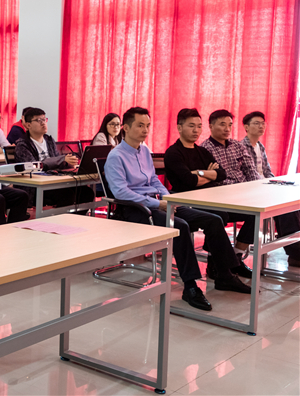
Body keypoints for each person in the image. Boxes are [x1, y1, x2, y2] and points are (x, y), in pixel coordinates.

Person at [106, 107, 250, 312]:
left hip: (158, 202)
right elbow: (121, 192)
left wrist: (167, 197)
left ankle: (225, 275)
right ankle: (190, 287)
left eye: (147, 125)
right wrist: (158, 204)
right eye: (140, 125)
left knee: (213, 219)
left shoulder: (144, 151)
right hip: (135, 209)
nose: (145, 130)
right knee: (180, 226)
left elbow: (154, 179)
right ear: (126, 128)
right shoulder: (116, 156)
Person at [204, 110, 300, 268]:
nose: (227, 128)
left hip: (248, 191)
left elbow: (251, 171)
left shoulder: (237, 146)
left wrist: (264, 188)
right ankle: (227, 259)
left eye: (230, 125)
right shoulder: (206, 149)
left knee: (286, 205)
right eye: (222, 124)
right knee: (258, 212)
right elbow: (217, 178)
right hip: (223, 196)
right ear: (211, 126)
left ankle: (237, 256)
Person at [164, 108, 253, 278]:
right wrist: (207, 175)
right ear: (179, 127)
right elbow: (189, 181)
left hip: (211, 198)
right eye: (191, 126)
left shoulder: (202, 152)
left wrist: (199, 173)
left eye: (199, 126)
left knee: (251, 214)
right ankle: (218, 266)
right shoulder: (173, 153)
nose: (196, 130)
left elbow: (221, 174)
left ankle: (236, 257)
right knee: (219, 215)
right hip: (188, 202)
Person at [14, 108, 95, 210]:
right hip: (35, 187)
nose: (43, 123)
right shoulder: (22, 145)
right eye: (39, 120)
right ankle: (62, 219)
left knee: (86, 192)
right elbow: (34, 167)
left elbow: (57, 162)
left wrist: (68, 163)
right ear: (28, 125)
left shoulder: (49, 140)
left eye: (44, 120)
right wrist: (61, 159)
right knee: (67, 195)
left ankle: (75, 218)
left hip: (53, 181)